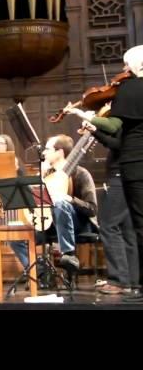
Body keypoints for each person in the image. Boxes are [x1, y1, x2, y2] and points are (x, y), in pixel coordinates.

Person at [63, 105, 138, 294]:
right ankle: (132, 281)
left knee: (108, 225)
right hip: (124, 176)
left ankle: (119, 281)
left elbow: (116, 144)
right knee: (128, 230)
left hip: (120, 177)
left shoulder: (125, 120)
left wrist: (95, 129)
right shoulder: (130, 120)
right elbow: (114, 141)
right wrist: (94, 130)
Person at [9, 134, 97, 280]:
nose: (43, 153)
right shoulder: (48, 174)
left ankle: (68, 254)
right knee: (15, 238)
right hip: (51, 224)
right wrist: (41, 177)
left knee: (61, 204)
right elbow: (36, 204)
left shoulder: (81, 174)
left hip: (78, 224)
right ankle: (41, 272)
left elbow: (92, 209)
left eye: (48, 149)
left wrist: (70, 199)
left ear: (60, 152)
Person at [97, 45, 143, 300]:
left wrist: (90, 120)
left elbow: (116, 135)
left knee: (127, 225)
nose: (124, 71)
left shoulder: (129, 91)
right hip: (131, 165)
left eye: (127, 65)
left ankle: (128, 283)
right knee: (132, 228)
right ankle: (132, 282)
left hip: (131, 166)